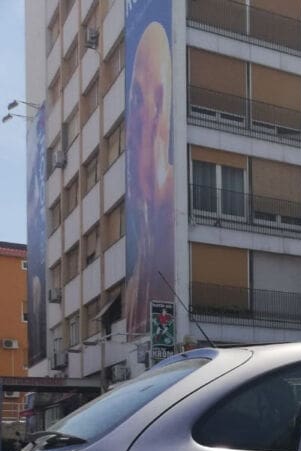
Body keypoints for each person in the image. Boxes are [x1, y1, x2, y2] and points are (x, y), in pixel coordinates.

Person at [125, 20, 175, 340]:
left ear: (155, 108)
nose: (127, 129)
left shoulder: (171, 225)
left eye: (134, 102)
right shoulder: (132, 284)